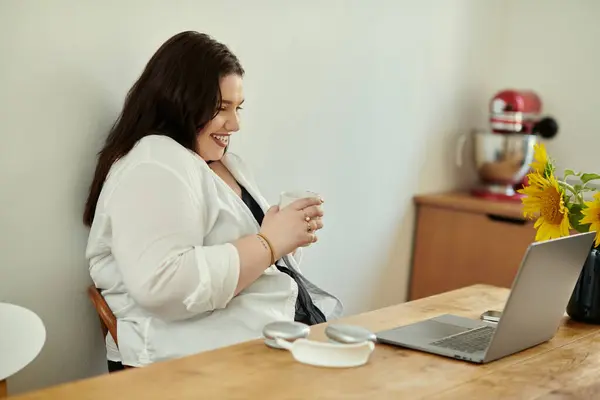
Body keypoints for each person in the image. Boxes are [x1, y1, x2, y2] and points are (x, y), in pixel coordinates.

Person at [83, 31, 342, 370]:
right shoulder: (153, 161)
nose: (234, 124)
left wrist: (287, 235)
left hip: (262, 349)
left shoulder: (218, 163)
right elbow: (163, 285)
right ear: (178, 102)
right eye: (221, 108)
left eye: (238, 108)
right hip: (194, 367)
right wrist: (268, 243)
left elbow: (247, 260)